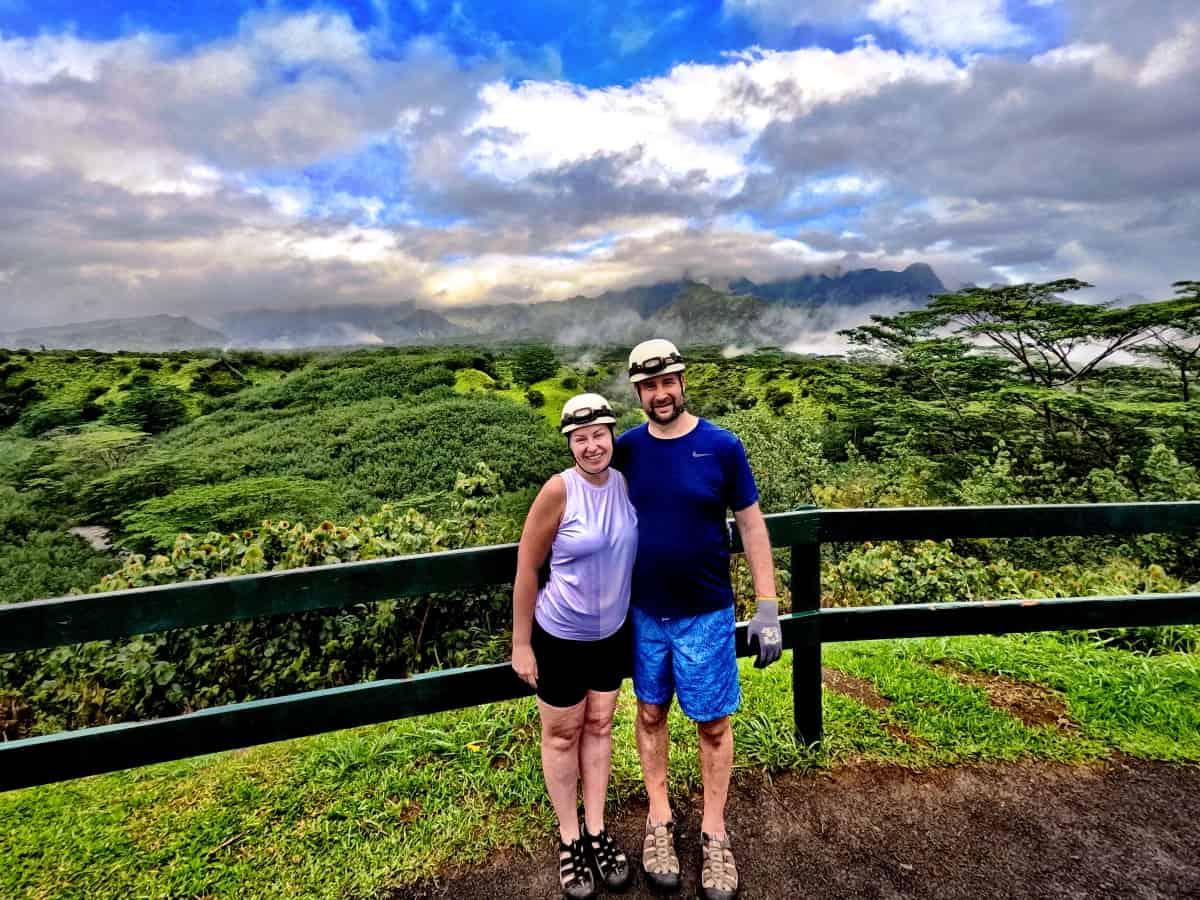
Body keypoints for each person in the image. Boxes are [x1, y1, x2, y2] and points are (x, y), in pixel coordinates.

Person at [613, 339, 782, 900]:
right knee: (650, 711)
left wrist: (766, 607)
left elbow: (752, 527)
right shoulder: (627, 450)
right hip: (643, 613)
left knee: (712, 723)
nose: (660, 394)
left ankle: (714, 831)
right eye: (649, 385)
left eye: (668, 382)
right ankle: (659, 819)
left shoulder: (722, 447)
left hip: (706, 614)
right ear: (638, 392)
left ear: (683, 382)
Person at [511, 392, 639, 899]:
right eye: (580, 438)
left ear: (612, 436)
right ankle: (570, 838)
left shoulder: (626, 484)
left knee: (601, 726)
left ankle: (597, 828)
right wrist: (522, 643)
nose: (591, 446)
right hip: (560, 635)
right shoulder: (557, 492)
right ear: (569, 443)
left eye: (599, 435)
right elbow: (527, 568)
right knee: (563, 734)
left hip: (611, 636)